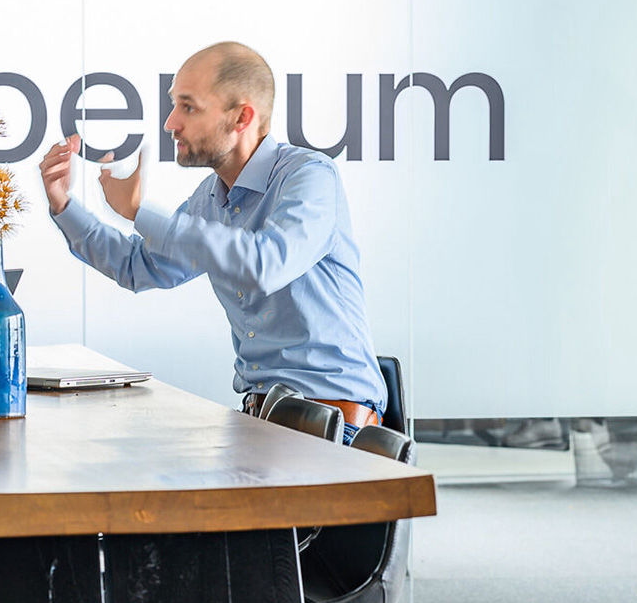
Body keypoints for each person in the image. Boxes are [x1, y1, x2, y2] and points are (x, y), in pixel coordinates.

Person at [39, 41, 387, 442]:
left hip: (334, 429)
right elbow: (140, 267)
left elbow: (264, 265)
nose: (171, 123)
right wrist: (64, 204)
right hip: (262, 422)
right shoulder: (210, 197)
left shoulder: (310, 176)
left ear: (242, 117)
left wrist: (139, 212)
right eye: (174, 104)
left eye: (188, 107)